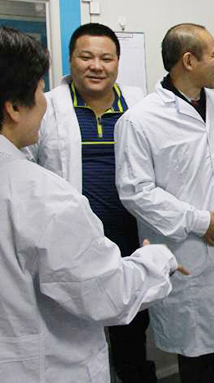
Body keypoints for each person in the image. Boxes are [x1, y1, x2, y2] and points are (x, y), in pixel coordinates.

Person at [0, 26, 181, 382]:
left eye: (106, 58)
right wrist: (159, 259)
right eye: (86, 57)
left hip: (122, 237)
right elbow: (109, 295)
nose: (96, 65)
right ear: (15, 107)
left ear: (118, 63)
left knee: (132, 341)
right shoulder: (44, 196)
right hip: (68, 246)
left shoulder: (138, 105)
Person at [115, 23, 214, 383]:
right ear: (188, 60)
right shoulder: (140, 120)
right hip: (189, 250)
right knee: (197, 353)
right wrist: (198, 221)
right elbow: (136, 191)